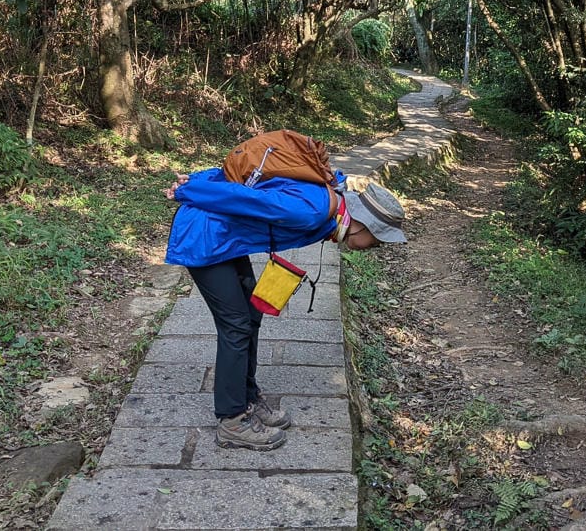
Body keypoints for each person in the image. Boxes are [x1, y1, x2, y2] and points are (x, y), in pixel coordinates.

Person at [163, 161, 406, 451]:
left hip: (226, 237)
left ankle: (248, 397)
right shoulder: (314, 211)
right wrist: (191, 188)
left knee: (250, 315)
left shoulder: (328, 209)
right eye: (377, 241)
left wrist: (200, 177)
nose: (374, 248)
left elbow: (258, 177)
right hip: (203, 235)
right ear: (364, 225)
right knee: (236, 325)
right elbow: (246, 197)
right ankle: (231, 420)